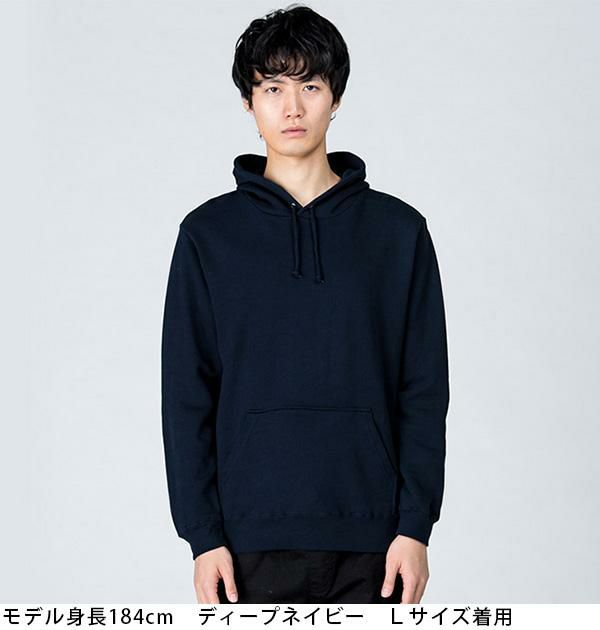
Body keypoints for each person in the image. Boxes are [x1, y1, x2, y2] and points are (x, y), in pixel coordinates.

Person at [161, 3, 450, 605]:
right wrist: (203, 537)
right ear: (249, 103)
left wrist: (415, 526)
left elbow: (423, 389)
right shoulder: (208, 236)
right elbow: (186, 396)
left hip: (376, 540)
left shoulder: (398, 233)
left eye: (310, 86)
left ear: (335, 97)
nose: (292, 107)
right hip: (247, 542)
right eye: (272, 88)